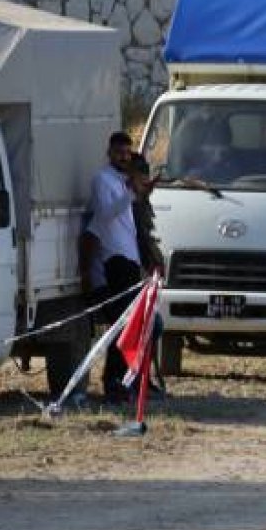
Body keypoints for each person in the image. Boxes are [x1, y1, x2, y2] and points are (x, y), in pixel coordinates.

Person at [85, 131, 155, 402]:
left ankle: (133, 378)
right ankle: (112, 380)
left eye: (127, 153)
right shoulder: (103, 180)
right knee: (122, 324)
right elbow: (105, 215)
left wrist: (141, 191)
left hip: (131, 259)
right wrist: (129, 191)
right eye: (119, 153)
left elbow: (132, 218)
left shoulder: (125, 180)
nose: (124, 158)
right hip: (114, 260)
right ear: (109, 153)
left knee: (139, 323)